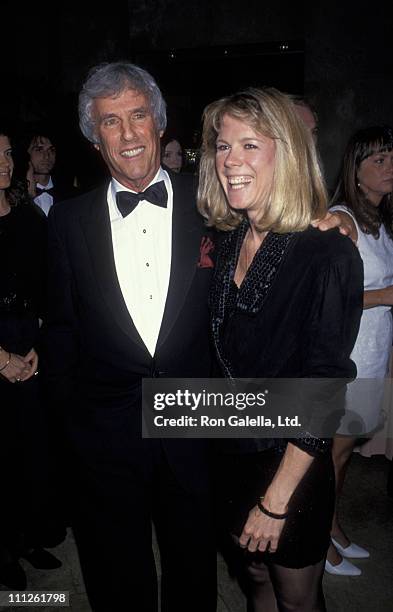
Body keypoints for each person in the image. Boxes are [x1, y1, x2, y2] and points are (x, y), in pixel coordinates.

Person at [43, 62, 217, 612]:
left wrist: (331, 226)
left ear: (159, 124)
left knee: (193, 570)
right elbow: (62, 331)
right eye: (111, 122)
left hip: (193, 423)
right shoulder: (67, 223)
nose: (128, 134)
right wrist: (72, 431)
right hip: (104, 435)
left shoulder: (214, 206)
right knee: (118, 575)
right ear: (96, 140)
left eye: (138, 115)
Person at [197, 88, 363, 612]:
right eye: (222, 147)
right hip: (228, 455)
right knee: (255, 580)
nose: (232, 162)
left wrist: (274, 504)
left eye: (250, 144)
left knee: (296, 596)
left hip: (292, 464)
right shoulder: (223, 243)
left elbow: (323, 390)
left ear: (286, 151)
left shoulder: (329, 254)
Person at [327, 125, 393, 575]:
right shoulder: (342, 218)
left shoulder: (378, 220)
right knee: (330, 455)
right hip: (346, 356)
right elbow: (327, 299)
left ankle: (332, 527)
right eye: (379, 160)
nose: (389, 167)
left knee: (344, 454)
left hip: (372, 351)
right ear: (356, 169)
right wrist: (386, 296)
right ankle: (316, 541)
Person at [0, 123, 61, 590]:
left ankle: (23, 536)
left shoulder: (27, 218)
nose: (4, 162)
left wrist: (40, 343)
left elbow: (50, 286)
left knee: (29, 448)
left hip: (28, 337)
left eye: (7, 154)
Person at [25, 126, 77, 215]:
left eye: (51, 150)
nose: (47, 156)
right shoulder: (17, 196)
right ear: (27, 153)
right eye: (39, 149)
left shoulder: (71, 194)